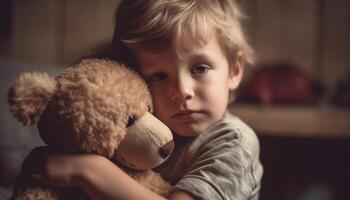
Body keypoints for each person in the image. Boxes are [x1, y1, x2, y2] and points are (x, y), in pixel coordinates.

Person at [24, 0, 263, 199]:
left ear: (234, 70)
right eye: (159, 76)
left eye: (200, 68)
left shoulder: (234, 141)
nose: (182, 90)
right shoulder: (136, 128)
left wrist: (87, 170)